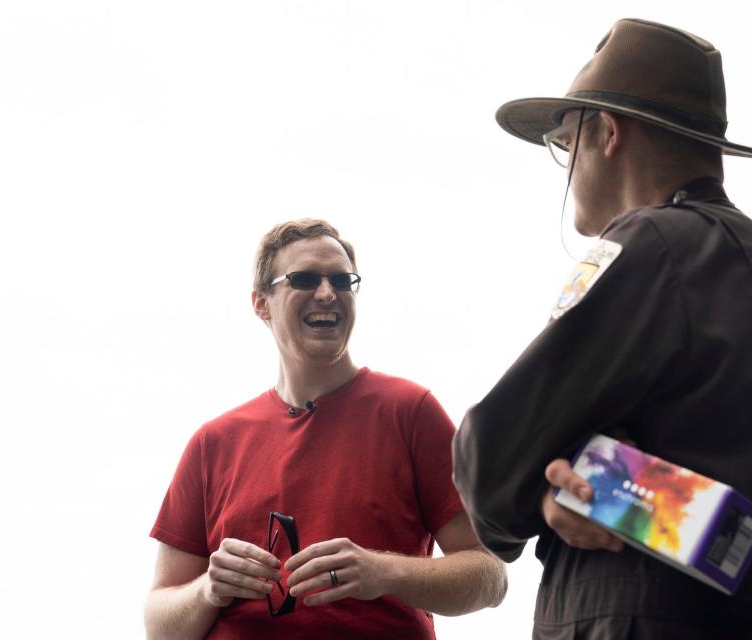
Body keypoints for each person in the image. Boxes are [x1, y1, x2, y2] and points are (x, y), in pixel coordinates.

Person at [451, 18, 752, 639]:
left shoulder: (658, 240)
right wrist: (571, 474)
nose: (567, 164)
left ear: (610, 133)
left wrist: (537, 472)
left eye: (568, 144)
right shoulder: (731, 250)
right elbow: (697, 480)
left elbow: (488, 461)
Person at [145, 219, 506, 640]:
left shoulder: (410, 412)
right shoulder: (212, 443)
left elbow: (489, 574)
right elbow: (159, 624)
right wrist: (208, 589)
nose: (326, 292)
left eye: (341, 280)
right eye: (303, 279)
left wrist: (383, 571)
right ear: (262, 303)